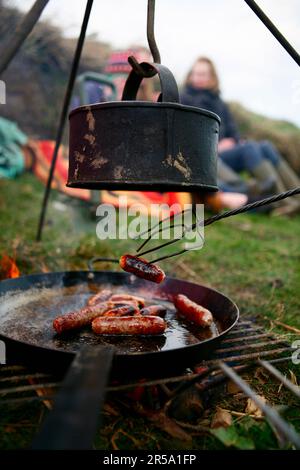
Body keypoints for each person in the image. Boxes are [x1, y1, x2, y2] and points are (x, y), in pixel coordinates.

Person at [181, 57, 300, 215]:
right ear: (190, 75)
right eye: (195, 74)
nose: (198, 78)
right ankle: (283, 202)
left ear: (212, 77)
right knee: (250, 148)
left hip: (226, 153)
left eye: (203, 74)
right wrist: (214, 144)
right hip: (206, 154)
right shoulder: (184, 99)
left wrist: (234, 141)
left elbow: (234, 131)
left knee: (265, 146)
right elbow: (186, 135)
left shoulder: (219, 102)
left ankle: (296, 196)